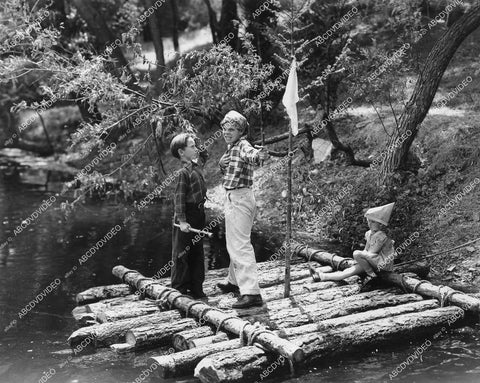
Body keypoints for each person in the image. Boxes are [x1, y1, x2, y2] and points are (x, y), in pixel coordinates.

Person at [216, 110, 269, 309]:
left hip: (241, 198)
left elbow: (253, 156)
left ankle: (251, 293)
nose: (227, 132)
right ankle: (234, 281)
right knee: (233, 241)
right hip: (233, 197)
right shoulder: (232, 147)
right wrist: (222, 163)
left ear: (241, 132)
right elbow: (231, 167)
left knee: (240, 245)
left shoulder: (243, 145)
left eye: (232, 129)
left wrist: (260, 154)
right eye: (225, 129)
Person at [309, 202, 396, 286]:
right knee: (348, 271)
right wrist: (360, 260)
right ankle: (322, 276)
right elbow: (366, 250)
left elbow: (373, 253)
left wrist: (359, 257)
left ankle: (371, 274)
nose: (370, 224)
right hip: (371, 262)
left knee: (356, 253)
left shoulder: (381, 236)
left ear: (380, 224)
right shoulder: (369, 233)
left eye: (373, 222)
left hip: (382, 263)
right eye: (369, 221)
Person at [170, 133, 207, 299]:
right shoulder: (183, 173)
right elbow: (179, 200)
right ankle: (180, 289)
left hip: (198, 214)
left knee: (197, 251)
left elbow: (205, 155)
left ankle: (196, 287)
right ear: (181, 152)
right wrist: (183, 221)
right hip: (187, 216)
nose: (196, 149)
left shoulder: (195, 167)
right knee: (182, 254)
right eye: (192, 146)